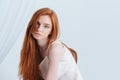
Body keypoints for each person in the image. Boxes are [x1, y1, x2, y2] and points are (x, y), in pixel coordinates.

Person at [19, 7, 83, 80]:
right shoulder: (30, 52)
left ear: (51, 31)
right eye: (37, 23)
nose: (39, 29)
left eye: (46, 26)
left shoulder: (55, 49)